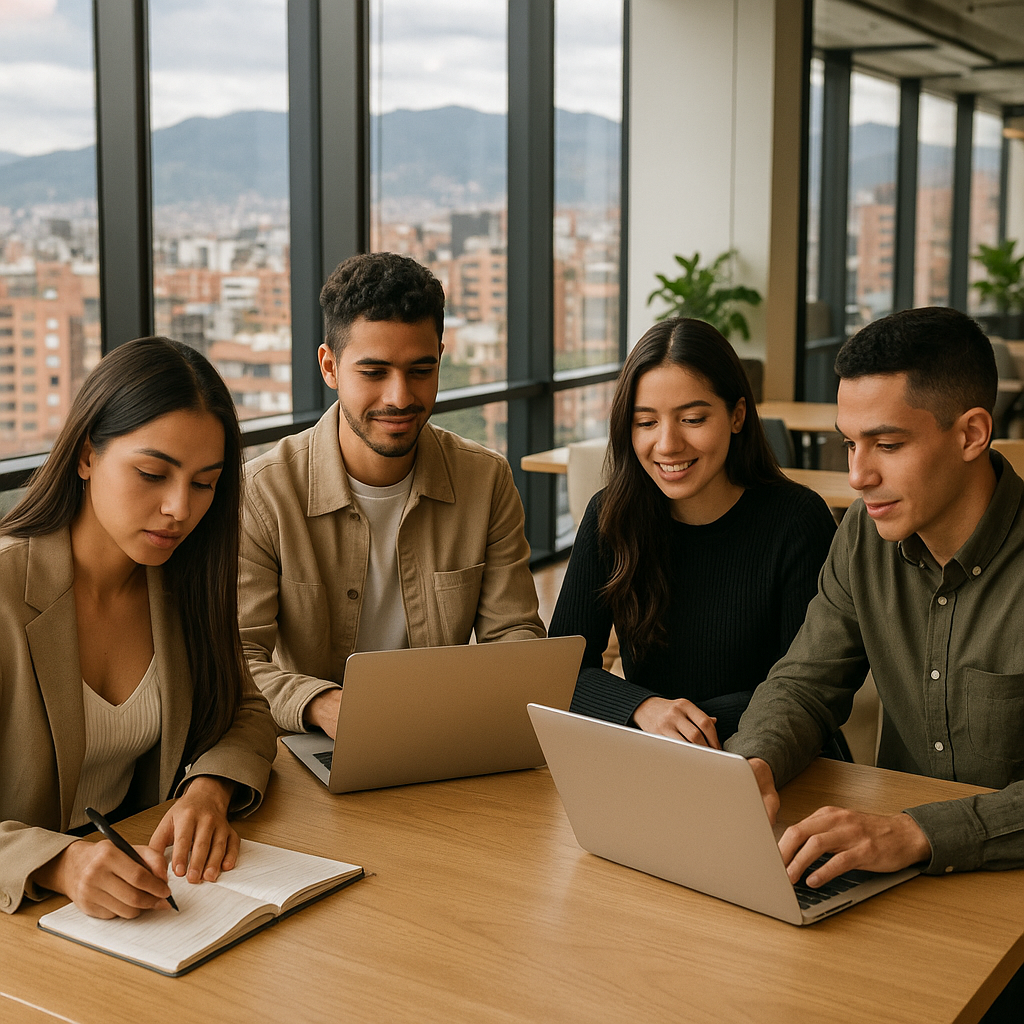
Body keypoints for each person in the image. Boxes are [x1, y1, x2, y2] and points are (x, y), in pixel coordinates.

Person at [724, 306, 1023, 1021]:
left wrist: (917, 832)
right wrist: (752, 765)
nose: (857, 476)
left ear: (971, 434)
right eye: (848, 444)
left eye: (887, 444)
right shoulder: (864, 533)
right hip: (902, 894)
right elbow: (805, 681)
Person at [0, 337, 277, 919]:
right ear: (86, 456)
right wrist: (58, 862)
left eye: (204, 483)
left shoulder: (182, 581)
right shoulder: (5, 592)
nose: (180, 508)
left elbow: (247, 709)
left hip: (137, 898)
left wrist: (209, 788)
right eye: (153, 473)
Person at [240, 252, 544, 737]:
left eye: (420, 370)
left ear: (440, 358)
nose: (400, 397)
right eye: (374, 372)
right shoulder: (263, 493)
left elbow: (514, 632)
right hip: (314, 741)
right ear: (329, 367)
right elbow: (238, 657)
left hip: (443, 731)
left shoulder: (486, 480)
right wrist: (322, 704)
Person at [549, 317, 837, 746]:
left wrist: (690, 723)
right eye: (646, 423)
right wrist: (644, 707)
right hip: (659, 754)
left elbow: (807, 691)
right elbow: (559, 672)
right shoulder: (611, 516)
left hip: (778, 755)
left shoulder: (797, 520)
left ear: (737, 415)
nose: (667, 444)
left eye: (693, 419)